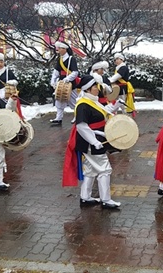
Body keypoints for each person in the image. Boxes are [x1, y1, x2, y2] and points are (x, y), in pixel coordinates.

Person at [62, 75, 124, 208]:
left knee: (90, 170)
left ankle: (85, 197)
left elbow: (102, 113)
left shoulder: (92, 101)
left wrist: (115, 105)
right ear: (88, 89)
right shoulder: (83, 105)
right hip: (92, 141)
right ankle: (106, 200)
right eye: (95, 86)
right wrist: (94, 142)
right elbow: (81, 126)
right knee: (104, 169)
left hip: (95, 139)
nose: (98, 88)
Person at [50, 42, 80, 125]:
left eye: (60, 48)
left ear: (65, 49)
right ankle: (58, 118)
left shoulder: (71, 59)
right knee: (59, 100)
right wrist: (53, 81)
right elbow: (56, 72)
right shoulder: (59, 59)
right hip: (61, 83)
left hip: (70, 84)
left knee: (73, 101)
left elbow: (75, 72)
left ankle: (77, 116)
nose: (58, 50)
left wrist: (67, 79)